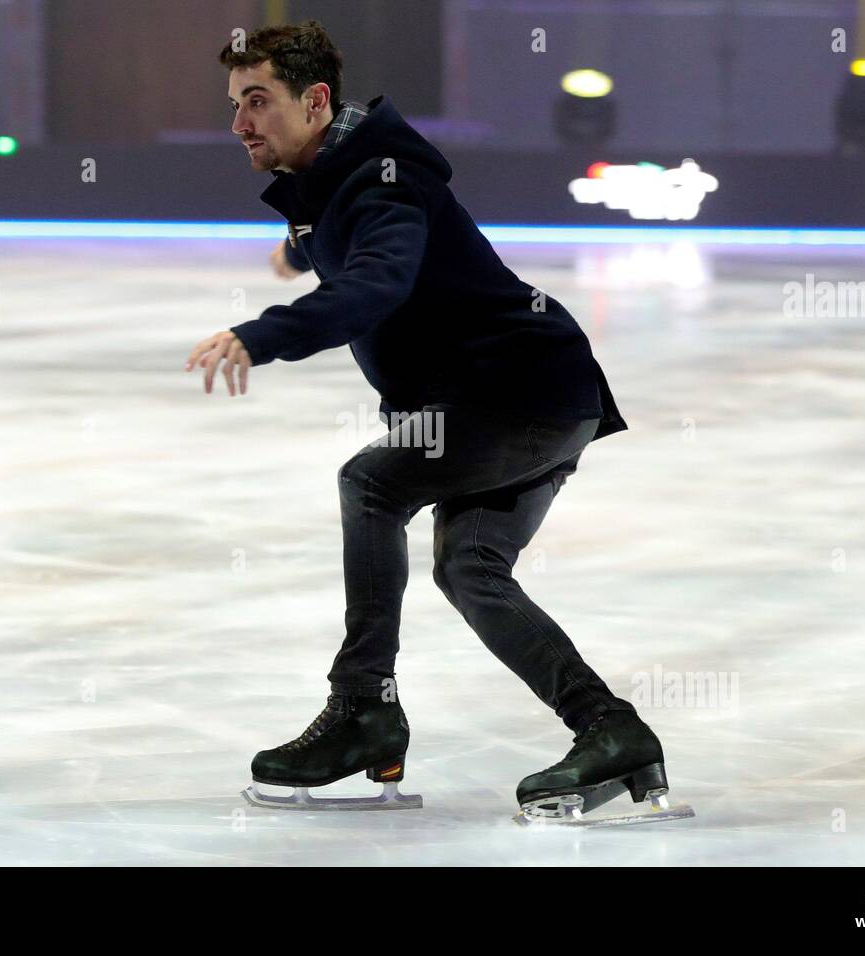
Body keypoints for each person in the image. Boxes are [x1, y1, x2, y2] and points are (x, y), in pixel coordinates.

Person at [186, 20, 679, 822]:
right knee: (471, 569)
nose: (239, 122)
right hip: (545, 395)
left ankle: (363, 711)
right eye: (235, 102)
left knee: (373, 483)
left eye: (257, 101)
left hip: (514, 393)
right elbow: (341, 242)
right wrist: (299, 254)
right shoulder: (335, 176)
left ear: (315, 103)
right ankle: (612, 730)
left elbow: (377, 280)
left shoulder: (381, 183)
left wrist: (262, 332)